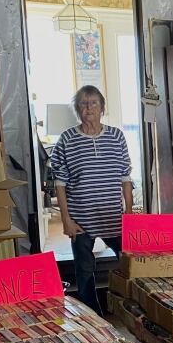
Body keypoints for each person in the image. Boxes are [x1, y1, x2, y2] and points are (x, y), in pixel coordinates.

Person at [51, 85, 133, 314]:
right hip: (81, 219)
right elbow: (60, 182)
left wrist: (129, 211)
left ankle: (128, 307)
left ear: (102, 107)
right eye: (83, 103)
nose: (89, 108)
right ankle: (93, 317)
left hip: (113, 217)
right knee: (84, 272)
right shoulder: (67, 139)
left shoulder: (116, 136)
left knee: (132, 264)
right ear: (77, 109)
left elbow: (125, 176)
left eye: (94, 103)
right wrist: (66, 219)